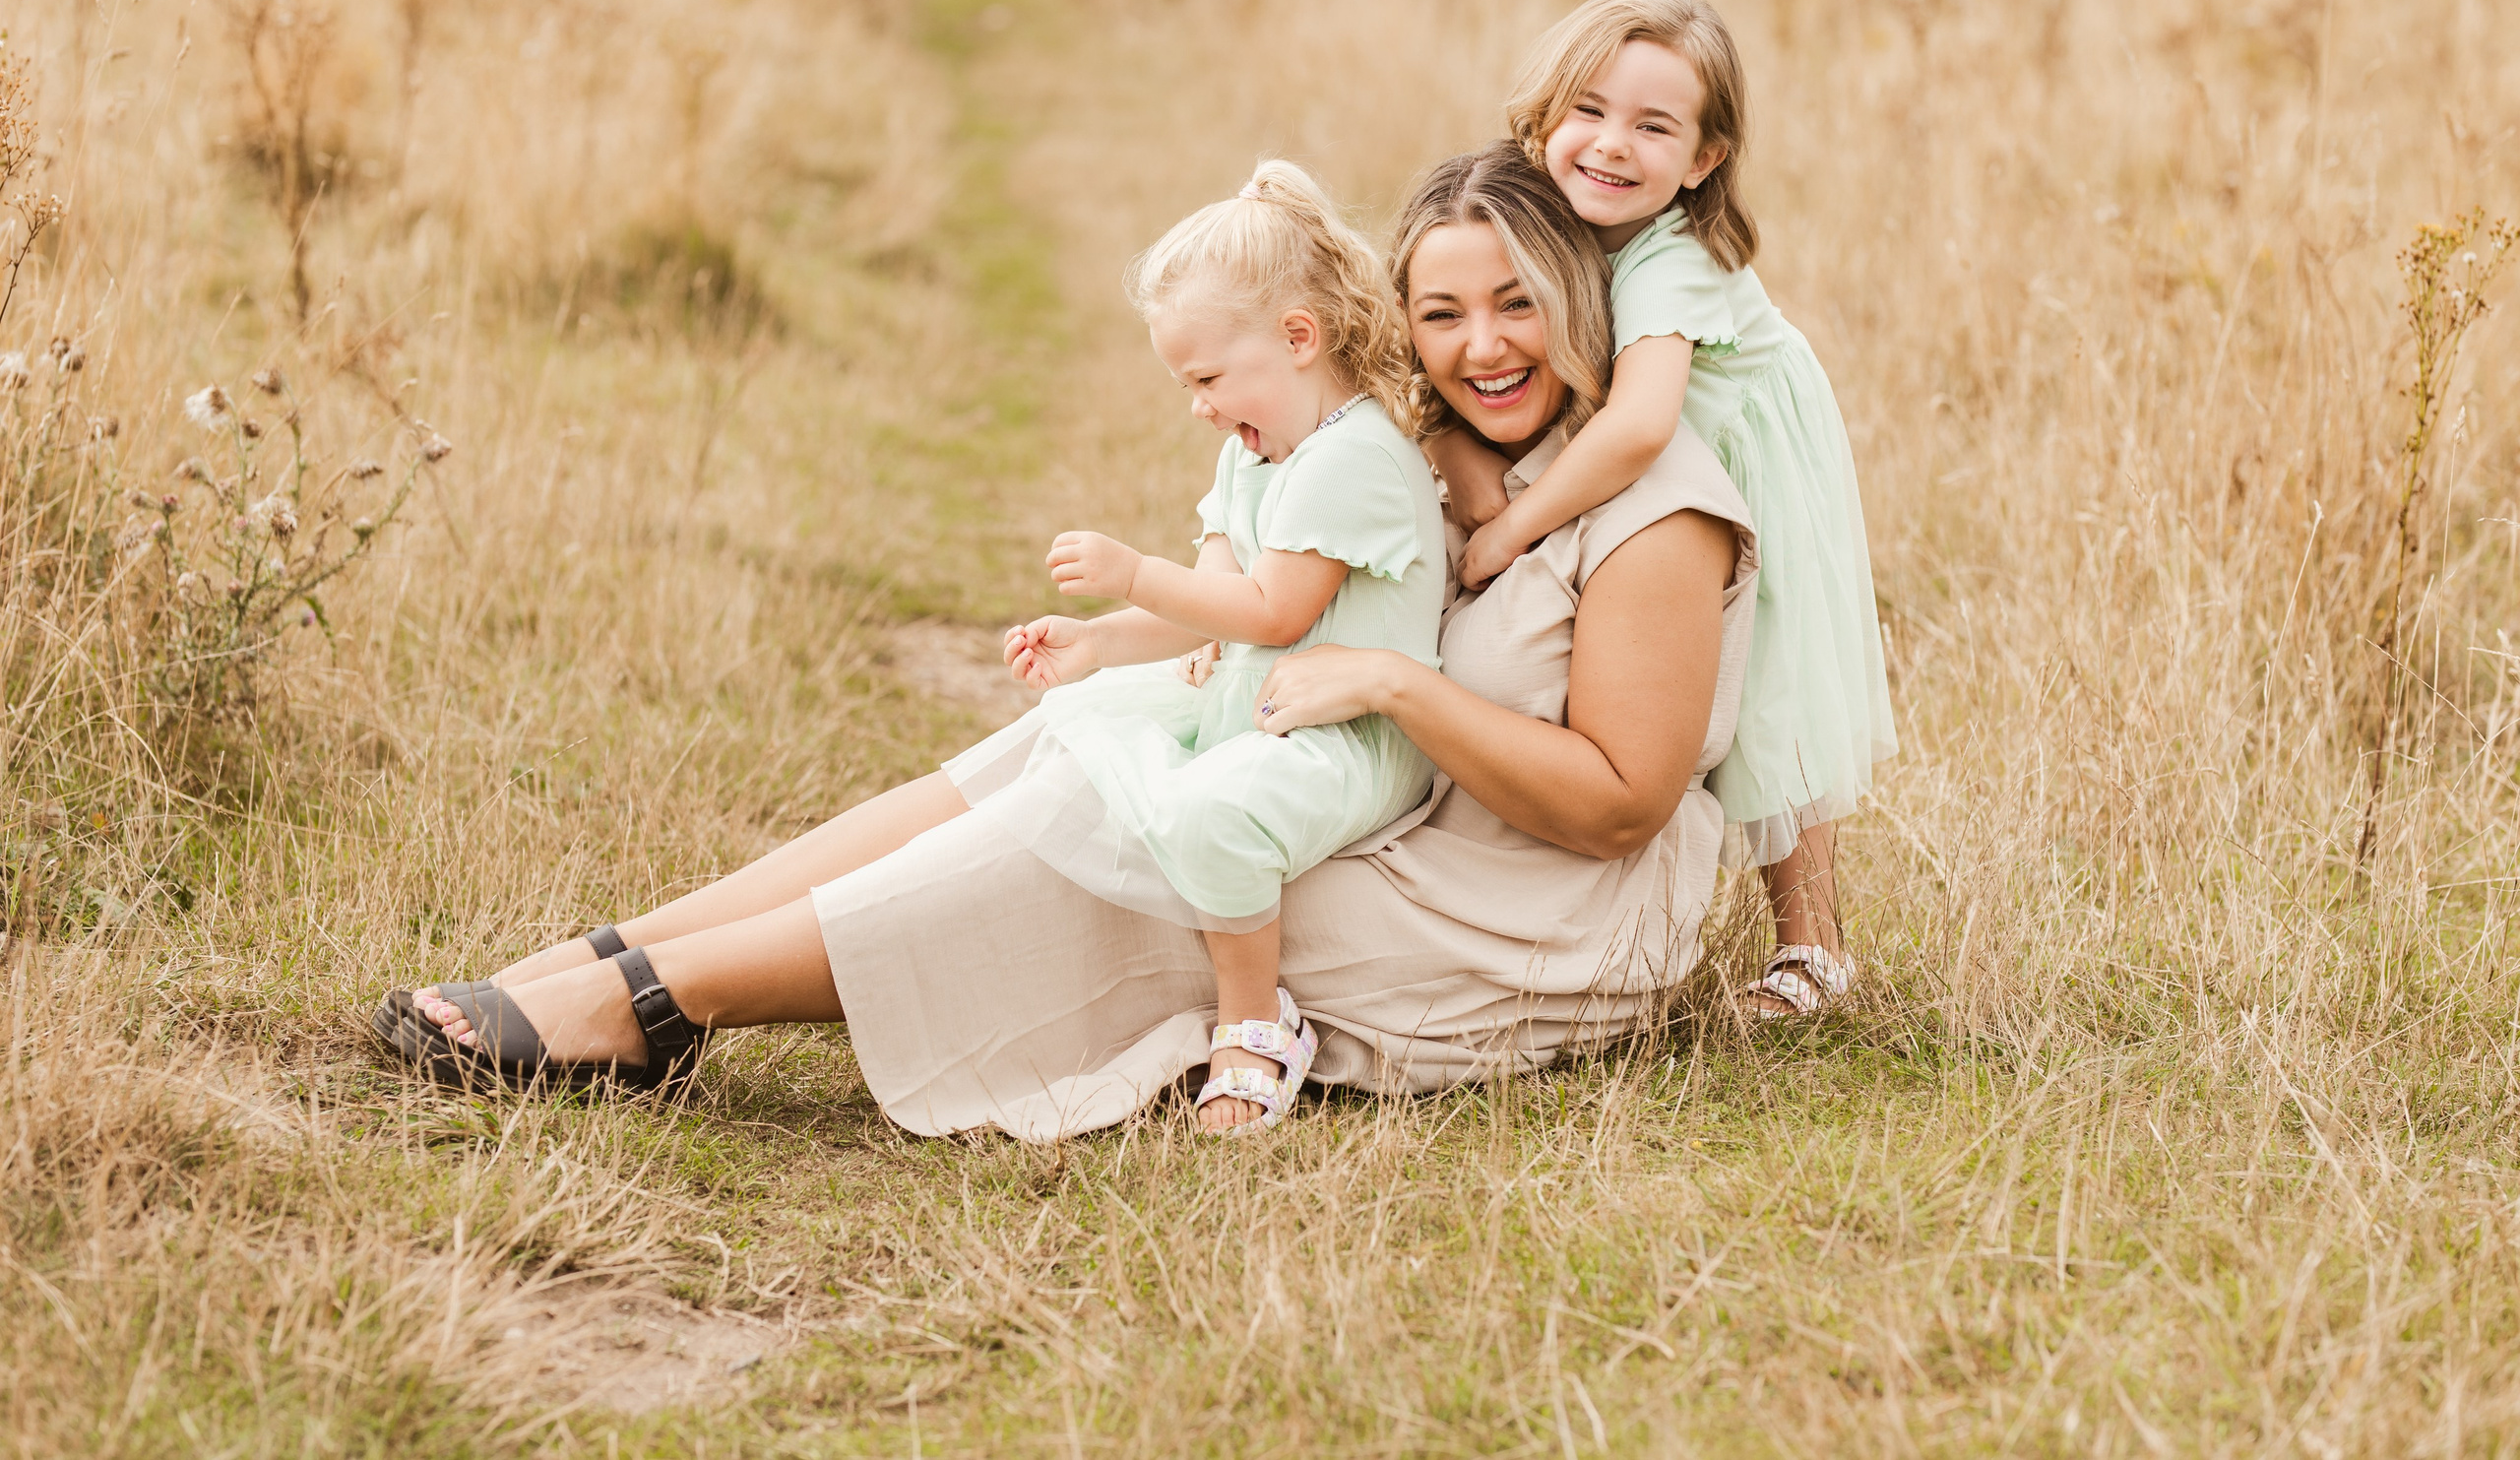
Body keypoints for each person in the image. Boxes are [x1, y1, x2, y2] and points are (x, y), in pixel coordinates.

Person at [376, 143, 1760, 1141]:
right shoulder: (1426, 447)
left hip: (1527, 902)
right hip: (1374, 791)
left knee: (1142, 849)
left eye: (1520, 303)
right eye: (1444, 313)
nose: (1483, 345)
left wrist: (1393, 677)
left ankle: (659, 1005)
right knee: (1074, 746)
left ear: (1589, 306)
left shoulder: (1655, 509)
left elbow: (1618, 803)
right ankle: (615, 949)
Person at [1423, 0, 1895, 1021]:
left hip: (1747, 461)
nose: (1609, 145)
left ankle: (1810, 943)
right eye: (1587, 110)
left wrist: (1510, 525)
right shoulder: (1561, 223)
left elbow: (1638, 427)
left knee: (1773, 689)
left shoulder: (1670, 260)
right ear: (1543, 114)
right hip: (1673, 455)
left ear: (1703, 161)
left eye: (1653, 126)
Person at [989, 158, 1444, 1131]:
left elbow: (1273, 610)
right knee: (1082, 715)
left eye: (1205, 376)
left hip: (1352, 735)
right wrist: (1104, 637)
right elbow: (1214, 598)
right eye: (1184, 381)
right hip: (1258, 698)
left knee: (1212, 816)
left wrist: (1129, 570)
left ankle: (1252, 1021)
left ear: (1297, 337)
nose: (1196, 402)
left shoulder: (1353, 457)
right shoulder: (1253, 447)